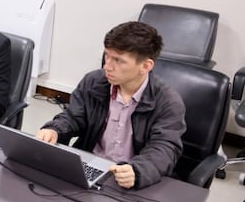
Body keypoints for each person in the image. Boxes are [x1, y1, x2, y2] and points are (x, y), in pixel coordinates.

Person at [35, 21, 186, 189]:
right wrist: (54, 130)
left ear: (145, 66)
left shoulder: (167, 101)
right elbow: (72, 117)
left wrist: (138, 170)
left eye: (118, 61)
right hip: (89, 166)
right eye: (107, 56)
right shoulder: (93, 82)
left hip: (127, 177)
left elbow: (164, 148)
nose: (107, 66)